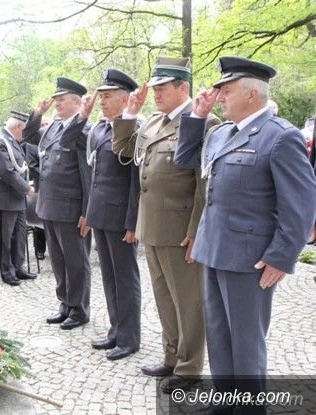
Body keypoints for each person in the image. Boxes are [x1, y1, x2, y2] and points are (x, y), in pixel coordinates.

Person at [175, 56, 316, 411]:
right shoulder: (220, 132)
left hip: (249, 260)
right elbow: (185, 159)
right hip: (214, 250)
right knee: (219, 337)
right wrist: (197, 116)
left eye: (227, 90)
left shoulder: (280, 136)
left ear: (252, 94)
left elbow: (301, 205)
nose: (220, 97)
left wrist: (280, 257)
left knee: (246, 345)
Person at [113, 56, 220, 392]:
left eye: (162, 88)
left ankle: (189, 368)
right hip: (153, 225)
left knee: (188, 302)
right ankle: (171, 357)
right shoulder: (155, 122)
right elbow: (124, 151)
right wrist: (130, 113)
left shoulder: (204, 122)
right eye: (155, 88)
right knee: (164, 298)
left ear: (182, 87)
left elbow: (204, 183)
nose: (156, 94)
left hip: (180, 229)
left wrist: (195, 231)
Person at [24, 78, 94, 330]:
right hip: (50, 205)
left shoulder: (84, 129)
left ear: (77, 102)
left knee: (76, 261)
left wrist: (87, 212)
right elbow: (29, 136)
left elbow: (87, 174)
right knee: (58, 260)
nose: (57, 104)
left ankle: (79, 309)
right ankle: (65, 303)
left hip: (71, 208)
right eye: (56, 100)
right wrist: (38, 113)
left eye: (62, 100)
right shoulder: (53, 126)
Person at [86, 69, 141, 361]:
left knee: (125, 279)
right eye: (101, 97)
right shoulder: (101, 129)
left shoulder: (134, 129)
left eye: (107, 97)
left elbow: (135, 182)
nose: (102, 101)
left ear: (125, 99)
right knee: (109, 277)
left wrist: (132, 223)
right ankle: (115, 331)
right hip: (101, 214)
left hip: (121, 218)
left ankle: (129, 338)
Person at [0, 111, 37, 286]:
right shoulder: (0, 140)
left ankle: (18, 267)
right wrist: (26, 188)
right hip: (4, 197)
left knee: (19, 235)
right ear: (18, 126)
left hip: (16, 197)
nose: (24, 134)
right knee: (5, 237)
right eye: (23, 130)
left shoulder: (10, 139)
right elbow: (6, 171)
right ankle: (7, 271)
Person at [20, 139, 46, 259]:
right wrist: (50, 174)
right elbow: (32, 166)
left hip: (56, 188)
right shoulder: (32, 145)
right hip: (40, 186)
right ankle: (40, 249)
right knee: (39, 217)